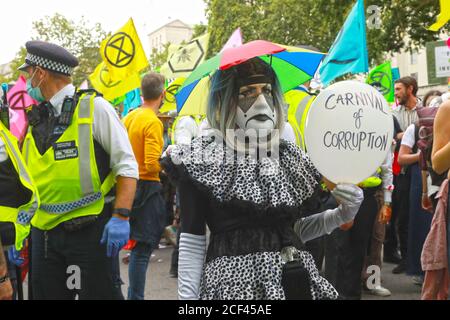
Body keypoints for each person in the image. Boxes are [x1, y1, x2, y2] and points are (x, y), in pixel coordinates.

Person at [162, 58, 364, 300]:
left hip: (292, 282)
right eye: (247, 92)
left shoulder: (288, 155)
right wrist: (188, 301)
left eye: (266, 90)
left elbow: (292, 231)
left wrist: (341, 214)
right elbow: (193, 242)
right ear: (225, 101)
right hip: (234, 290)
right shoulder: (202, 158)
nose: (261, 102)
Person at [19, 40, 138, 300]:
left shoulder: (95, 108)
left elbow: (126, 165)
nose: (27, 80)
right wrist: (20, 229)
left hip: (88, 232)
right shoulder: (36, 118)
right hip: (45, 237)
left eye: (29, 73)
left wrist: (121, 216)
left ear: (41, 73)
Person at [123, 73, 167, 300]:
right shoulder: (152, 121)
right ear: (163, 94)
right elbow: (151, 163)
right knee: (141, 250)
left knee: (135, 246)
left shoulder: (130, 117)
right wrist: (167, 167)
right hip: (147, 188)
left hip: (127, 185)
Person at [389, 76, 422, 274]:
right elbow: (393, 136)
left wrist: (406, 135)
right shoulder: (394, 114)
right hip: (400, 172)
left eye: (399, 89)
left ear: (410, 89)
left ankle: (419, 258)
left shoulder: (425, 110)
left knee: (419, 215)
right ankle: (406, 258)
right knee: (402, 216)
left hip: (420, 171)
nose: (396, 93)